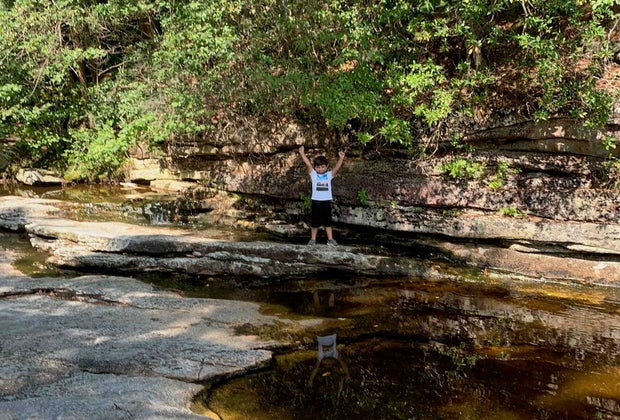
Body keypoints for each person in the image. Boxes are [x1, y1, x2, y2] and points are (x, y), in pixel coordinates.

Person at [299, 145, 345, 247]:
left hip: (326, 201)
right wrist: (302, 154)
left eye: (323, 167)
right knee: (315, 222)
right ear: (315, 168)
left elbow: (336, 168)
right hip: (316, 201)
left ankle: (330, 239)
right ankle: (313, 239)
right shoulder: (313, 174)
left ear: (326, 166)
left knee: (327, 221)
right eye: (318, 167)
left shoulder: (329, 175)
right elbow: (308, 165)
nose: (320, 169)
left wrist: (341, 158)